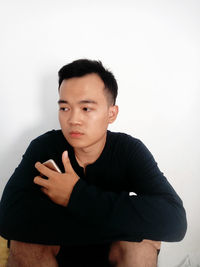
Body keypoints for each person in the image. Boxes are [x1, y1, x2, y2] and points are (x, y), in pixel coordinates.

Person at [0, 59, 187, 267]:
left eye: (86, 108)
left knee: (141, 247)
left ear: (111, 114)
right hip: (57, 253)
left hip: (112, 256)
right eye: (64, 108)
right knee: (24, 245)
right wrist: (119, 222)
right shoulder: (44, 147)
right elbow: (8, 218)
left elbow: (175, 221)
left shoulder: (129, 150)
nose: (73, 120)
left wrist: (75, 196)